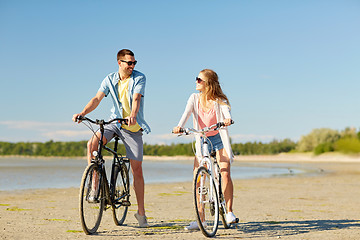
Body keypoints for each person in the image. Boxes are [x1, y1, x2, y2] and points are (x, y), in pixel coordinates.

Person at [72, 49, 150, 228]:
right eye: (129, 63)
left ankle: (141, 213)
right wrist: (82, 113)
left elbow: (136, 98)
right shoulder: (109, 79)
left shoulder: (139, 78)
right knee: (92, 142)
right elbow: (97, 98)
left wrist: (133, 115)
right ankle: (94, 185)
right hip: (114, 122)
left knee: (137, 170)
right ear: (119, 63)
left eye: (134, 63)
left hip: (132, 126)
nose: (132, 66)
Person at [172, 69, 237, 230]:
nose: (196, 82)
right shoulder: (194, 98)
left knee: (225, 172)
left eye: (199, 80)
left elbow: (225, 111)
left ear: (208, 83)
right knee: (198, 177)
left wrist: (227, 119)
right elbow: (186, 113)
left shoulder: (219, 100)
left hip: (218, 138)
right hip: (202, 139)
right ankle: (201, 219)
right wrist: (179, 126)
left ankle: (229, 212)